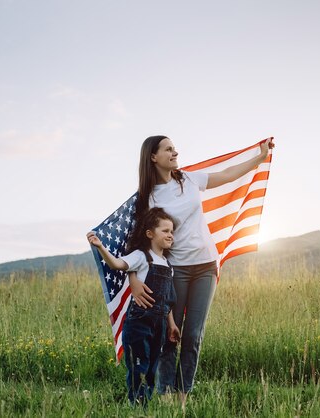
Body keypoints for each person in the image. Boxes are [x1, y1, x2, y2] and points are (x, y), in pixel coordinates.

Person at [128, 135, 274, 400]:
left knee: (193, 336)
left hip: (206, 265)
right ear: (153, 157)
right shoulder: (147, 198)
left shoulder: (190, 179)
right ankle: (165, 396)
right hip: (175, 270)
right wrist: (132, 279)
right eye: (168, 149)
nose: (175, 151)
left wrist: (259, 158)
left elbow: (227, 174)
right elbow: (137, 242)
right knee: (170, 335)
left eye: (174, 148)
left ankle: (183, 397)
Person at [86, 207, 181, 406]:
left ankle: (144, 404)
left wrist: (171, 325)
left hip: (160, 325)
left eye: (172, 231)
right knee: (139, 367)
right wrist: (100, 246)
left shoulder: (167, 263)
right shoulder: (141, 256)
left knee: (152, 368)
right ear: (150, 234)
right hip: (139, 323)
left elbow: (168, 300)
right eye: (165, 231)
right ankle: (137, 405)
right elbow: (116, 265)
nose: (170, 235)